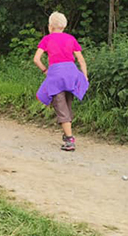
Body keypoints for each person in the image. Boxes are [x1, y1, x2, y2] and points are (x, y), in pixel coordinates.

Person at [33, 11, 89, 151]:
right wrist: (84, 76)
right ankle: (67, 133)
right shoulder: (71, 38)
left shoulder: (47, 39)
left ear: (50, 26)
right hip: (71, 74)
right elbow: (81, 60)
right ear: (64, 26)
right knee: (67, 105)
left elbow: (36, 59)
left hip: (56, 75)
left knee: (60, 106)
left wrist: (45, 71)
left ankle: (69, 140)